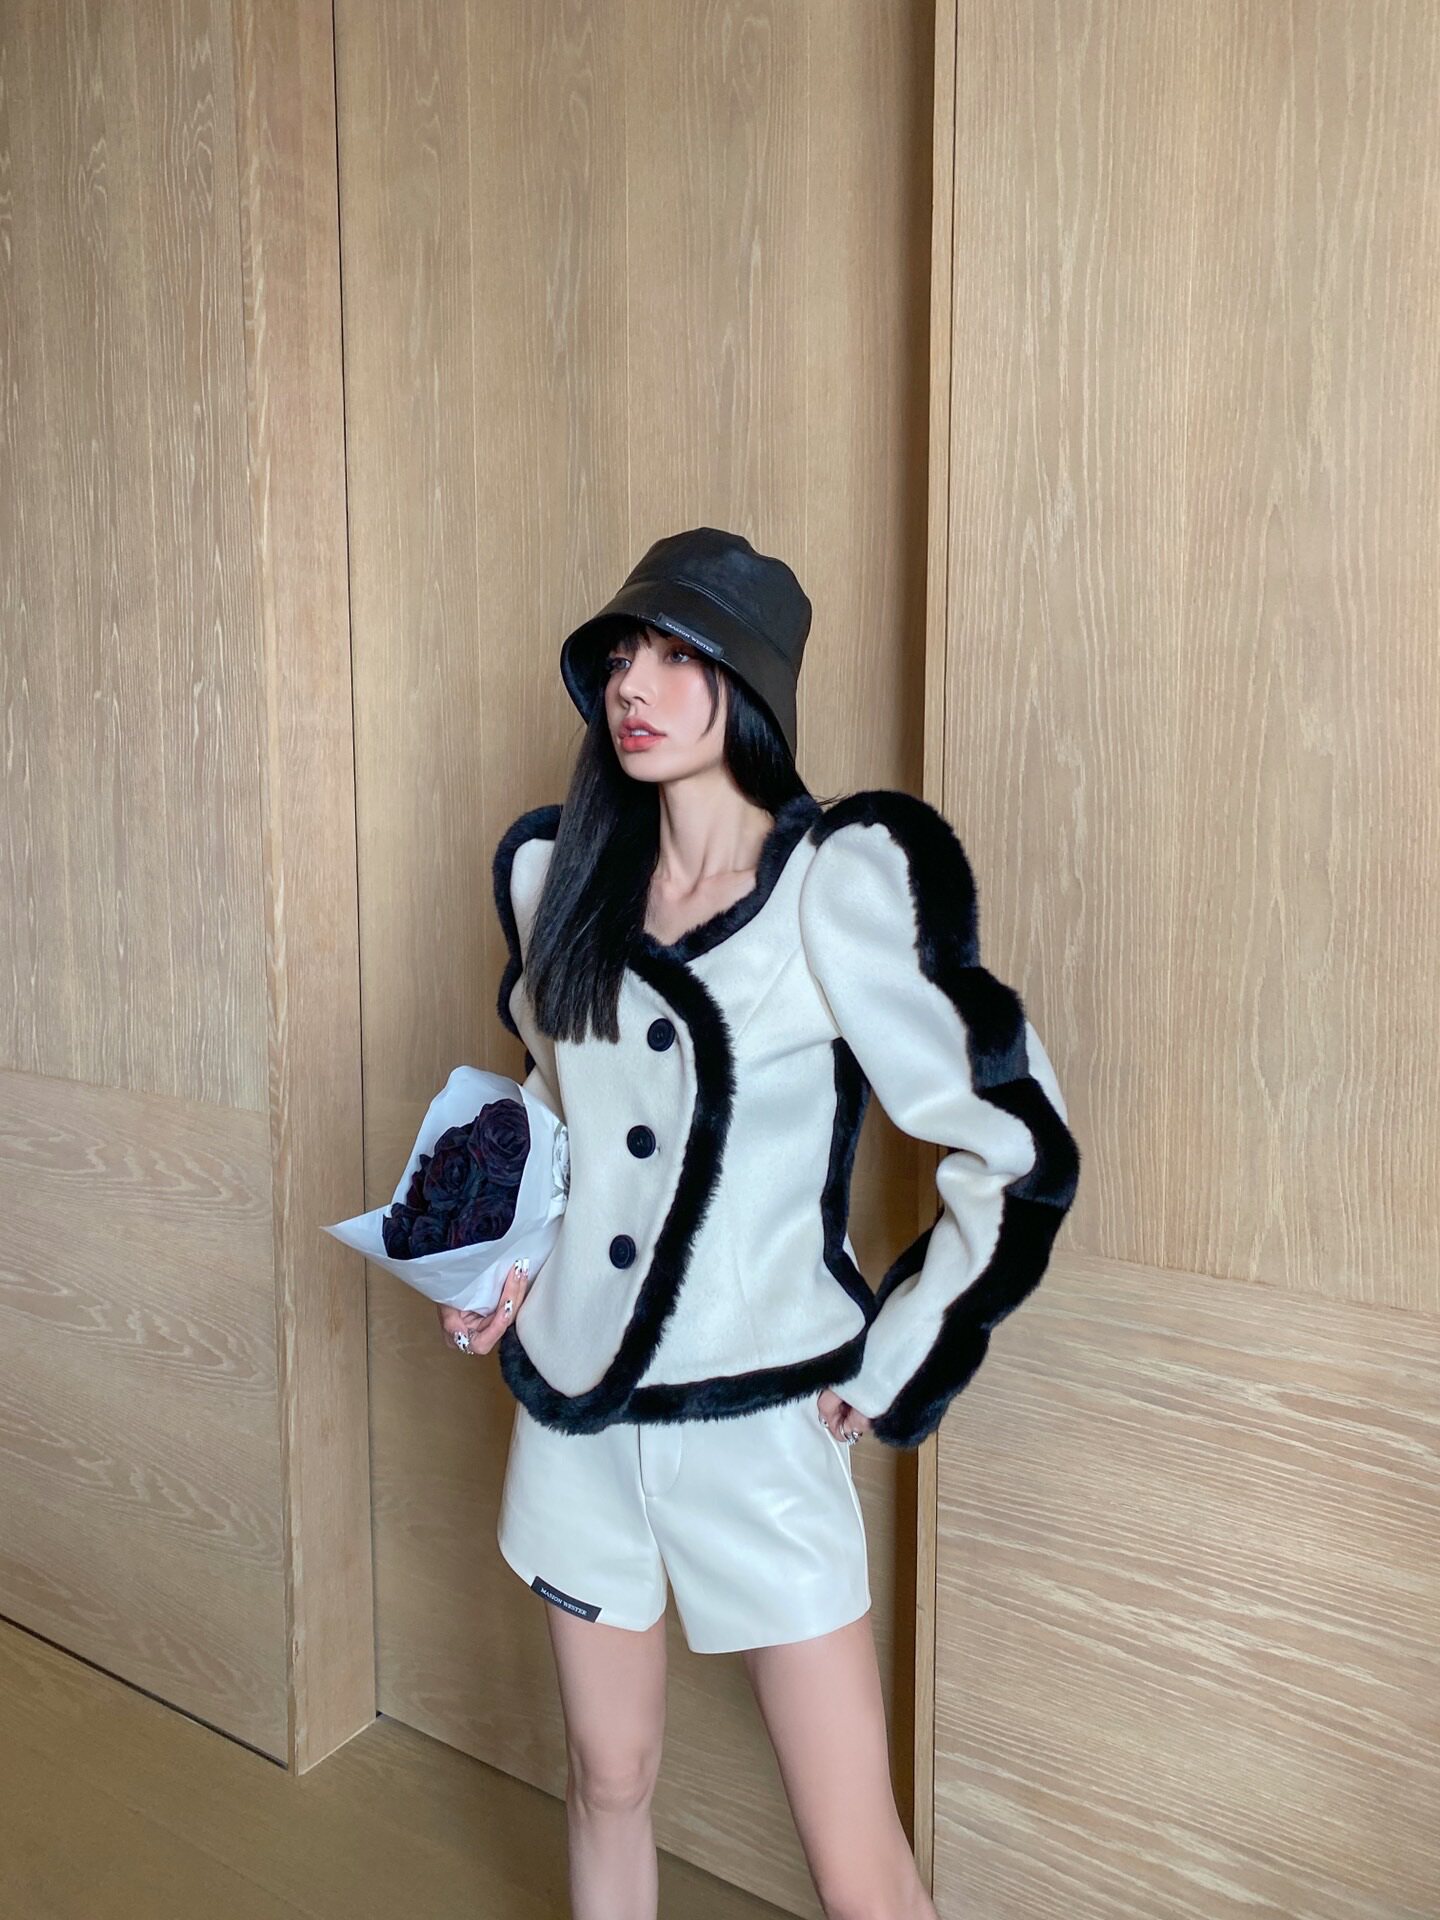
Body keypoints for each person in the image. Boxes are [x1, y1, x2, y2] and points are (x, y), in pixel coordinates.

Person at [437, 528, 1080, 1920]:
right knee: (607, 1777)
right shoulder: (568, 884)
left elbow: (1012, 1140)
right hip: (576, 1416)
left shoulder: (832, 891)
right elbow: (558, 1111)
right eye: (621, 655)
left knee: (860, 1867)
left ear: (751, 684)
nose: (634, 684)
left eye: (677, 654)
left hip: (756, 1425)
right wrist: (502, 1262)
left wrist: (895, 1356)